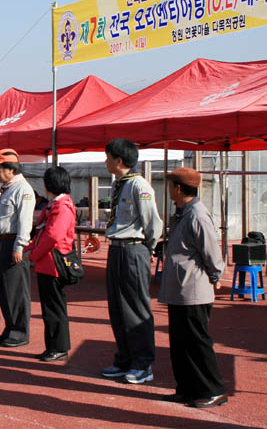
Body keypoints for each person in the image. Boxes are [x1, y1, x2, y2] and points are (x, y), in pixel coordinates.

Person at [158, 167, 227, 408]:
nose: (168, 190)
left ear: (178, 188)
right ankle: (187, 387)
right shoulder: (182, 212)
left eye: (170, 185)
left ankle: (213, 388)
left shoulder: (197, 214)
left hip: (193, 290)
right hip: (180, 290)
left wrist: (216, 274)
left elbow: (210, 250)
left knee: (197, 342)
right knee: (180, 343)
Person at [102, 138, 163, 383]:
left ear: (119, 160)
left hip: (133, 249)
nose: (105, 162)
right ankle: (124, 359)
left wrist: (145, 250)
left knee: (136, 308)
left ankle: (143, 364)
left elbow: (152, 223)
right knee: (117, 308)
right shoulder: (120, 184)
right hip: (116, 249)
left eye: (108, 157)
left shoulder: (139, 185)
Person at [26, 166, 76, 362]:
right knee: (50, 307)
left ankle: (59, 347)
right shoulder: (56, 204)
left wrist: (34, 254)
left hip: (52, 262)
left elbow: (52, 236)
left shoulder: (60, 206)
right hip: (47, 261)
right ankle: (54, 346)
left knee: (53, 307)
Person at [0, 148, 36, 348]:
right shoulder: (6, 188)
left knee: (15, 291)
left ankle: (19, 332)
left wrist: (20, 247)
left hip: (12, 243)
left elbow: (25, 222)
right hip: (0, 242)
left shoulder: (23, 189)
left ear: (10, 169)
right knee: (3, 289)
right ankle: (10, 328)